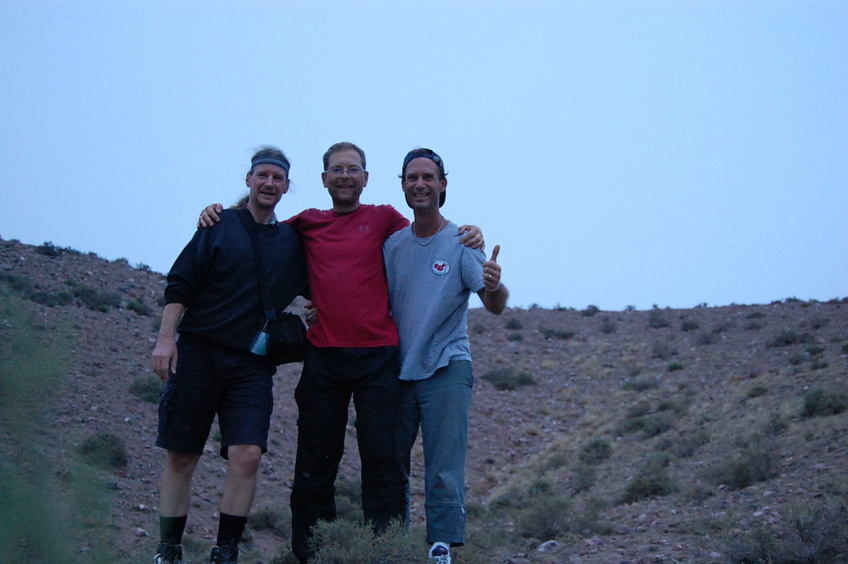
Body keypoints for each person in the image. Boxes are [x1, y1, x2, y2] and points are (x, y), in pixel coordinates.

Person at [197, 142, 484, 563]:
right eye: (336, 169)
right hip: (324, 357)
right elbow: (263, 228)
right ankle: (313, 554)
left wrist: (469, 234)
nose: (345, 175)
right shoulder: (307, 223)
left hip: (379, 358)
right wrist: (222, 214)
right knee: (315, 462)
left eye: (353, 169)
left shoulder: (385, 218)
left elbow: (428, 236)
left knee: (382, 464)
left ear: (366, 178)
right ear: (324, 179)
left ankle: (382, 552)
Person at [150, 147, 308, 564]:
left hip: (252, 365)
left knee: (248, 455)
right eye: (263, 176)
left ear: (287, 187)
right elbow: (180, 284)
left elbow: (325, 283)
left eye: (278, 178)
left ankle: (227, 552)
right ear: (249, 180)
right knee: (182, 453)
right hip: (199, 352)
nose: (270, 183)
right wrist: (166, 340)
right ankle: (169, 550)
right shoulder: (219, 224)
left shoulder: (292, 241)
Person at [383, 148, 509, 564]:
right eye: (412, 177)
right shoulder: (393, 245)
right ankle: (391, 545)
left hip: (446, 366)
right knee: (390, 463)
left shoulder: (461, 242)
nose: (420, 184)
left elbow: (493, 303)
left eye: (428, 177)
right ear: (402, 184)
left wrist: (494, 284)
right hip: (397, 369)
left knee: (444, 464)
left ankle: (442, 546)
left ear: (443, 184)